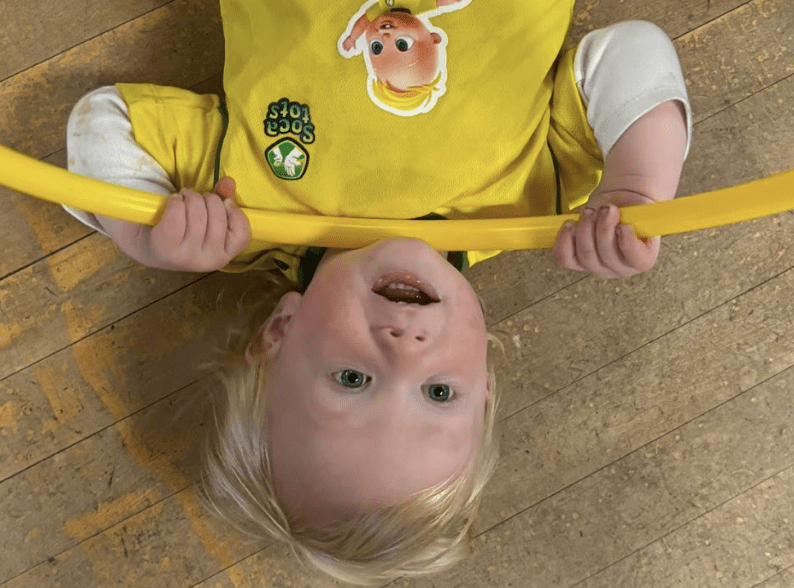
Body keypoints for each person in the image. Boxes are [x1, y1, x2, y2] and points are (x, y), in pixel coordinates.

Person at [64, 0, 691, 584]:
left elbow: (102, 126)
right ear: (485, 382)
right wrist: (636, 184)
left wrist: (148, 231)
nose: (405, 349)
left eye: (352, 380)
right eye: (439, 392)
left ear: (277, 337)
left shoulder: (236, 210)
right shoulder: (537, 199)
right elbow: (631, 53)